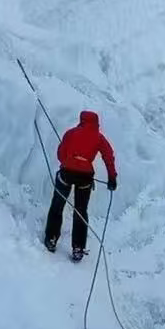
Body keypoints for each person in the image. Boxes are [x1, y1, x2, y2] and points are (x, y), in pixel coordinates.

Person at [44, 111, 118, 262]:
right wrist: (111, 177)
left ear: (82, 120)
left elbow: (60, 155)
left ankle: (51, 239)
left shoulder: (71, 133)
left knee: (57, 205)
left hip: (67, 173)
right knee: (81, 211)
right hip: (85, 177)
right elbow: (108, 156)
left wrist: (70, 160)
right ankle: (78, 248)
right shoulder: (99, 138)